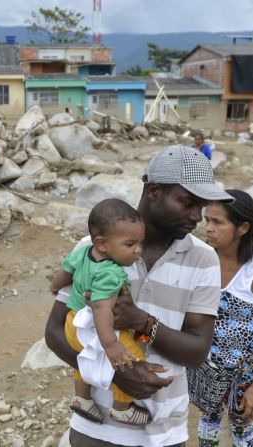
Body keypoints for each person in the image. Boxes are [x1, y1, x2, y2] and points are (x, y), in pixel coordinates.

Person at [45, 145, 234, 447]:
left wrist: (143, 322)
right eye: (187, 203)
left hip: (165, 431)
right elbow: (55, 333)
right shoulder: (94, 250)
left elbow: (197, 350)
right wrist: (116, 375)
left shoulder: (203, 260)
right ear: (154, 191)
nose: (196, 217)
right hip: (96, 430)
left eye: (201, 207)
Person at [187, 189, 253, 447]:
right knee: (207, 426)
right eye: (207, 220)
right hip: (205, 370)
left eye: (218, 222)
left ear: (242, 228)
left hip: (243, 379)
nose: (208, 228)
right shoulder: (203, 260)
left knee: (243, 432)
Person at [50, 198, 150, 426]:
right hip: (95, 327)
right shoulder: (111, 273)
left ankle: (82, 399)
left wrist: (55, 286)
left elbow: (65, 270)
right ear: (103, 243)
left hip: (72, 323)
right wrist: (111, 344)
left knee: (87, 355)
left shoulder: (84, 252)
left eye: (141, 243)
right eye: (130, 244)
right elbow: (101, 308)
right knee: (133, 357)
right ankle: (121, 408)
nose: (138, 250)